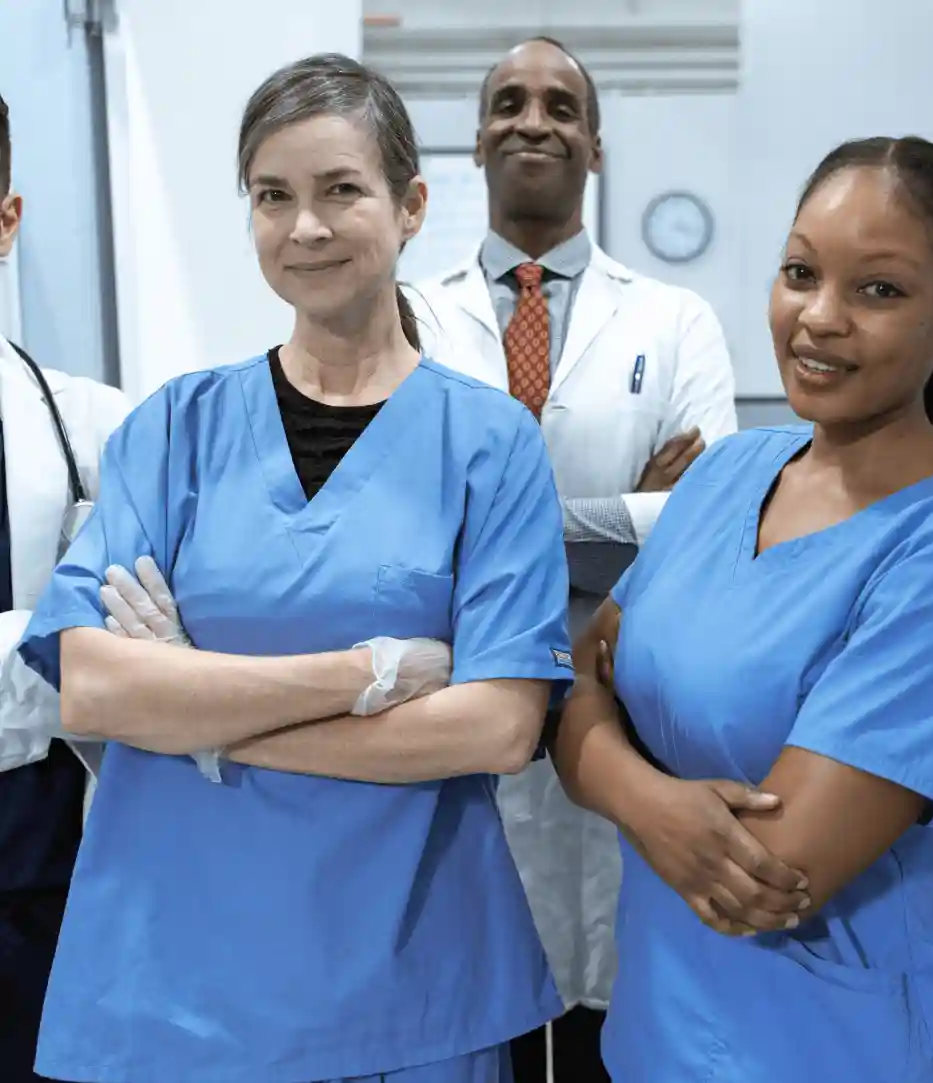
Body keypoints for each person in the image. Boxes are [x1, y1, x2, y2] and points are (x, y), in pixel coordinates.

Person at [16, 54, 573, 1083]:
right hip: (169, 980)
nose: (303, 227)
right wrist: (367, 673)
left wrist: (197, 713)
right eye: (272, 197)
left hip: (403, 983)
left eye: (339, 191)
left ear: (409, 207)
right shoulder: (174, 429)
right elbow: (93, 688)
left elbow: (495, 727)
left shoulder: (487, 445)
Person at [551, 135, 933, 1082]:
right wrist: (657, 800)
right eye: (800, 272)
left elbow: (768, 880)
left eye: (879, 290)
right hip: (660, 1031)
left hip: (852, 1046)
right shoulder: (728, 473)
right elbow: (573, 676)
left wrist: (598, 756)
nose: (820, 318)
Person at [410, 37, 737, 1083]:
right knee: (479, 1004)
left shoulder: (674, 318)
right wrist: (630, 507)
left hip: (623, 704)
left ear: (593, 145)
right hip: (457, 707)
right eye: (506, 100)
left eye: (559, 105)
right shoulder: (408, 316)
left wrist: (490, 530)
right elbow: (403, 526)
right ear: (475, 140)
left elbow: (706, 525)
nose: (532, 120)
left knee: (609, 1017)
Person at [0, 91, 130, 1083]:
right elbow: (74, 652)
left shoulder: (90, 427)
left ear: (8, 219)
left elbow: (137, 651)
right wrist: (47, 642)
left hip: (42, 852)